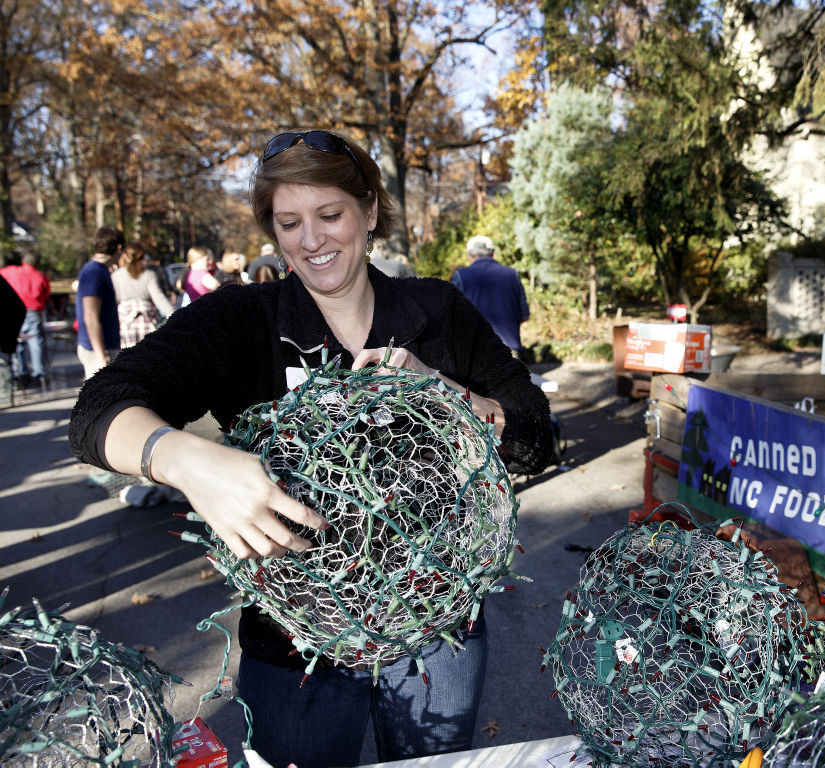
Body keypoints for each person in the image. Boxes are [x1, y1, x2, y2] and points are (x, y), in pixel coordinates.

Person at [68, 129, 553, 768]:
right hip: (295, 648)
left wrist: (444, 392)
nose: (312, 240)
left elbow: (534, 438)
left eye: (330, 215)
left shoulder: (436, 309)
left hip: (438, 633)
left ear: (371, 211)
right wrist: (187, 461)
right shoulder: (243, 320)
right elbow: (98, 410)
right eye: (289, 222)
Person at [450, 235, 529, 354]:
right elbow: (524, 316)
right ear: (493, 254)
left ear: (469, 256)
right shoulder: (512, 275)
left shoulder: (460, 277)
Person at [76, 227, 124, 379]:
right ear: (118, 248)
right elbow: (90, 316)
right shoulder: (93, 272)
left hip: (105, 346)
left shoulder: (100, 270)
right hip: (97, 349)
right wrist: (101, 355)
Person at [0, 250, 51, 387]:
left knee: (18, 343)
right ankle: (38, 374)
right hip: (33, 312)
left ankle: (21, 374)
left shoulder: (11, 272)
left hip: (12, 313)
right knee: (36, 344)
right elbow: (46, 294)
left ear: (23, 260)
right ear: (38, 263)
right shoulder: (41, 276)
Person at [113, 243, 175, 348]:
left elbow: (113, 301)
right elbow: (159, 298)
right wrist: (173, 314)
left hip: (125, 323)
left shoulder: (116, 276)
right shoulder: (148, 274)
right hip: (146, 320)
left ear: (125, 256)